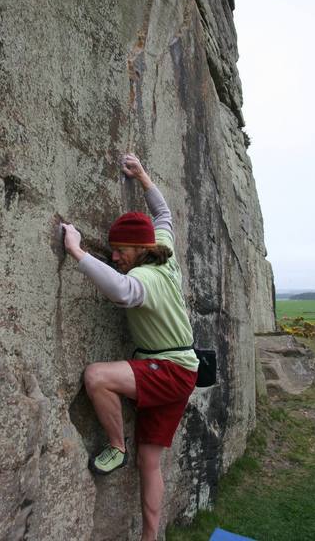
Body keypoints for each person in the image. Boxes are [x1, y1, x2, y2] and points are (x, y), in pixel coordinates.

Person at [62, 154, 199, 541]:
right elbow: (165, 215)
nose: (115, 256)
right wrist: (142, 177)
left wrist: (77, 252)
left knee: (97, 377)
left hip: (169, 371)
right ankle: (150, 539)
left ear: (139, 250)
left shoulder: (145, 279)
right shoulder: (163, 252)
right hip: (181, 370)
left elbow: (123, 291)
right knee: (150, 462)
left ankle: (117, 446)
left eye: (120, 250)